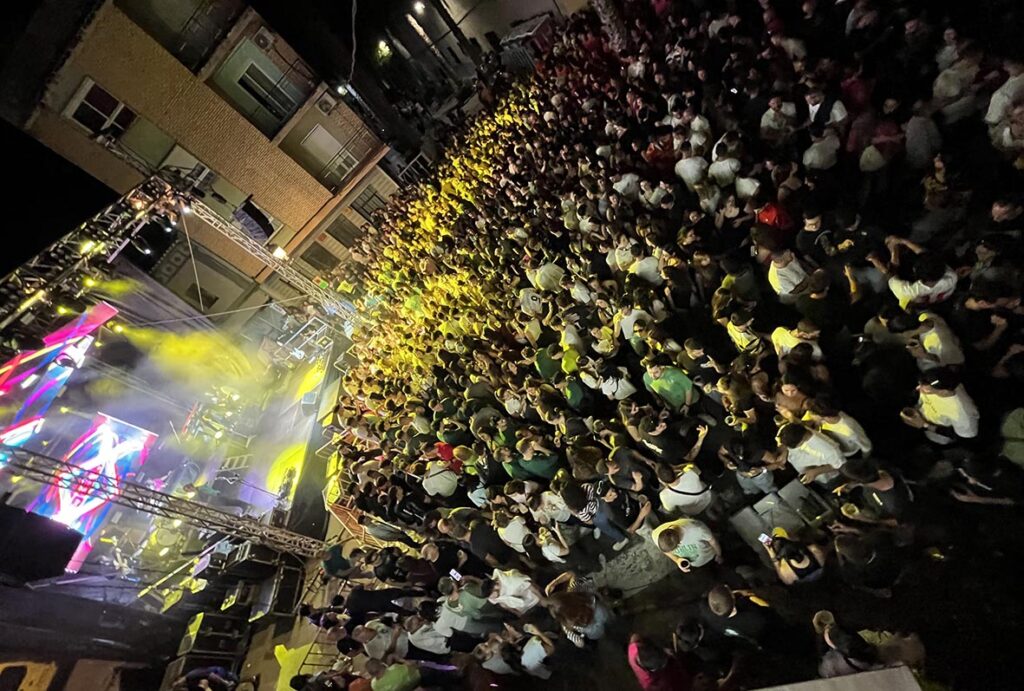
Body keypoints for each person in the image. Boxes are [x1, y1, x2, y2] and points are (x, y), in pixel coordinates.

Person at [652, 518, 720, 572]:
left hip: (711, 555)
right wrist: (677, 560)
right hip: (695, 564)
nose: (671, 552)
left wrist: (719, 555)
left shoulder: (697, 529)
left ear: (679, 544)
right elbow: (666, 551)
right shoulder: (656, 535)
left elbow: (713, 541)